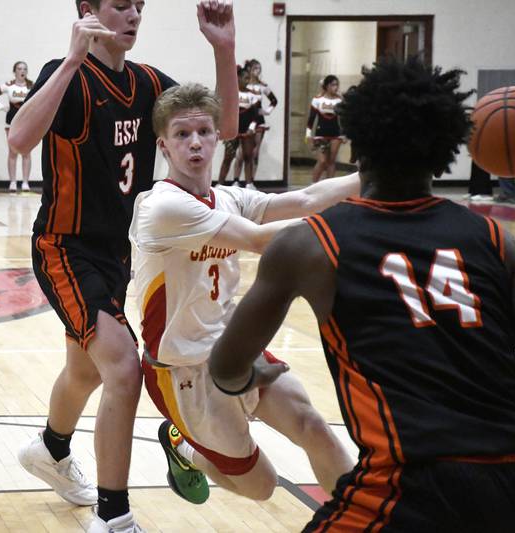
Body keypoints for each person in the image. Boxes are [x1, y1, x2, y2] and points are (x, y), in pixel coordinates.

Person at [209, 58, 515, 532]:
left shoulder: (309, 245)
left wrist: (251, 374)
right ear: (445, 150)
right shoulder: (496, 241)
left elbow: (224, 368)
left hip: (410, 486)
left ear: (357, 143)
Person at [7, 1, 238, 531]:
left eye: (139, 5)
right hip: (65, 247)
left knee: (85, 369)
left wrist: (223, 49)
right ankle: (114, 517)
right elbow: (19, 139)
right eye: (120, 4)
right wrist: (69, 60)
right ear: (88, 9)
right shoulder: (69, 75)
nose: (133, 14)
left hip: (119, 252)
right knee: (122, 368)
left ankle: (50, 448)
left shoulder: (148, 82)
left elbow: (223, 124)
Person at [131, 82, 356, 506]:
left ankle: (362, 516)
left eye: (203, 132)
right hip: (183, 371)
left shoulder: (228, 198)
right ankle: (185, 448)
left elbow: (306, 197)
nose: (194, 142)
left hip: (235, 350)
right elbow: (258, 240)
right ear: (164, 145)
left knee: (314, 427)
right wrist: (353, 228)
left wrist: (375, 176)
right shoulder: (163, 207)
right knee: (262, 486)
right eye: (182, 134)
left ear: (218, 137)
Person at [0, 61, 35, 192]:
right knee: (13, 152)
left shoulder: (32, 86)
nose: (22, 71)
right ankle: (13, 182)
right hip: (11, 122)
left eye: (24, 69)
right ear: (15, 71)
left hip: (27, 123)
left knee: (26, 151)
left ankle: (25, 182)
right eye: (19, 69)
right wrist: (0, 107)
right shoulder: (9, 85)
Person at [231, 59, 278, 182]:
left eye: (259, 68)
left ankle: (251, 181)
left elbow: (274, 100)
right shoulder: (244, 86)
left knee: (254, 153)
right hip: (245, 119)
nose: (258, 71)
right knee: (240, 154)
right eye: (255, 68)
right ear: (249, 70)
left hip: (258, 120)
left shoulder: (263, 86)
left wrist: (266, 111)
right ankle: (236, 180)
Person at [217, 66, 260, 188]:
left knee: (248, 157)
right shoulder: (231, 93)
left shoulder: (253, 95)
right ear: (238, 78)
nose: (247, 81)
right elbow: (225, 110)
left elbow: (256, 115)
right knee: (228, 157)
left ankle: (249, 184)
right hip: (232, 130)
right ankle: (220, 184)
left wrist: (252, 127)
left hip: (247, 130)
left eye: (249, 79)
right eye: (245, 78)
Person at [307, 75, 343, 182]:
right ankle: (314, 184)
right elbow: (311, 119)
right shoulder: (317, 99)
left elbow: (345, 118)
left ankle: (329, 187)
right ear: (326, 86)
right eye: (333, 85)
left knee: (331, 161)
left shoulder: (339, 100)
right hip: (320, 133)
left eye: (337, 85)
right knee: (322, 161)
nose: (335, 87)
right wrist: (308, 136)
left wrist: (344, 134)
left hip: (335, 133)